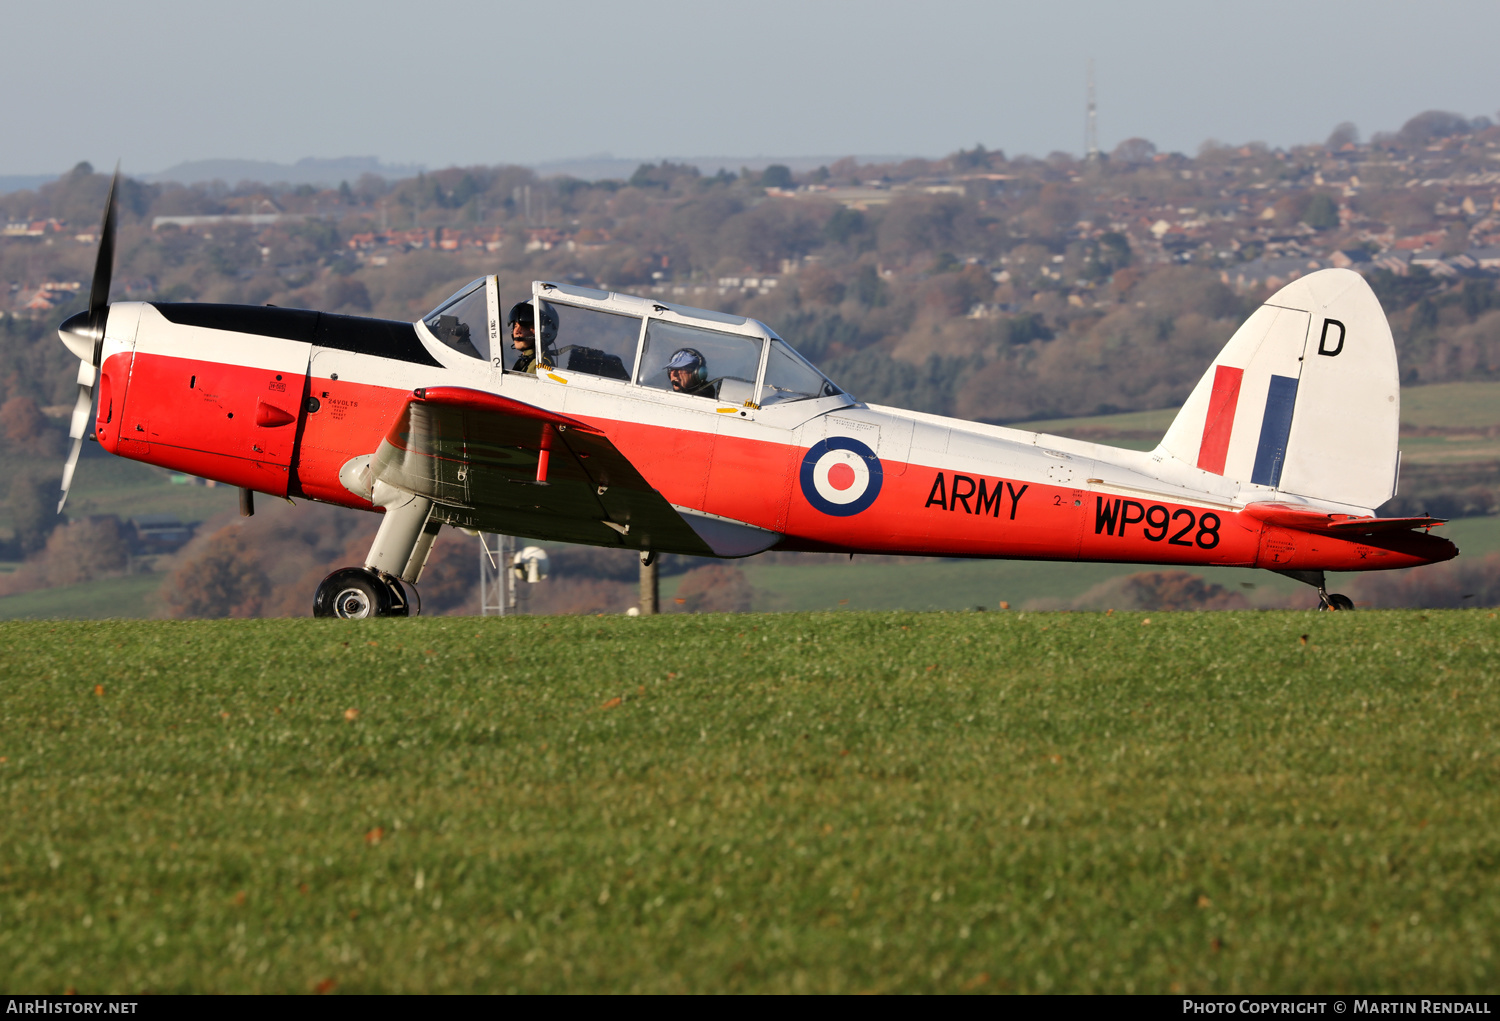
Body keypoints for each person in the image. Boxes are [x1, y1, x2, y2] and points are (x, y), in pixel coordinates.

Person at [507, 300, 558, 374]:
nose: (517, 331)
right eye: (515, 326)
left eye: (525, 326)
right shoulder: (526, 361)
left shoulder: (540, 364)